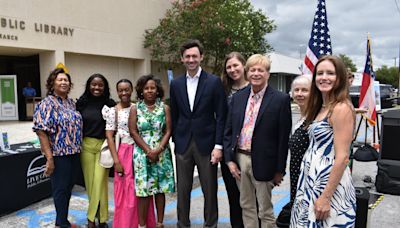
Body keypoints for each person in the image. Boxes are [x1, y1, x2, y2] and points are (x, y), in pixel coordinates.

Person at [224, 54, 292, 228]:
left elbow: (283, 139)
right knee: (246, 205)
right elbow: (228, 131)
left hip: (264, 161)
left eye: (260, 70)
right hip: (240, 158)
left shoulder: (280, 99)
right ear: (247, 73)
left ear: (268, 74)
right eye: (252, 70)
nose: (255, 73)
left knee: (265, 209)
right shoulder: (238, 98)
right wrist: (229, 161)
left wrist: (279, 170)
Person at [290, 55, 356, 227]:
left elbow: (342, 158)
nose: (324, 77)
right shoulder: (321, 106)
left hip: (327, 185)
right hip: (310, 181)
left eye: (330, 73)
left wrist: (326, 197)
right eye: (320, 73)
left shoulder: (341, 108)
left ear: (340, 77)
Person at [169, 39, 226, 228]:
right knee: (183, 190)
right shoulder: (176, 84)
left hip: (207, 144)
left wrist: (218, 146)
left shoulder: (214, 82)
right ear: (182, 59)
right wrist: (177, 139)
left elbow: (221, 116)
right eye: (187, 56)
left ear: (201, 57)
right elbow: (175, 114)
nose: (191, 59)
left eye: (194, 56)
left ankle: (211, 225)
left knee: (210, 190)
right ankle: (182, 224)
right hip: (183, 144)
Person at [102, 79, 156, 228]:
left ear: (132, 90)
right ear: (117, 92)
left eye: (127, 90)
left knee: (142, 188)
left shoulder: (138, 107)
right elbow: (109, 136)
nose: (124, 93)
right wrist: (117, 161)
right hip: (124, 152)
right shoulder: (113, 111)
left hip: (140, 150)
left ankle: (144, 223)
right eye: (121, 90)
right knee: (125, 191)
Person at [33, 68, 82, 228]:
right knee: (60, 189)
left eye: (66, 80)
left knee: (68, 188)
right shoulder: (46, 103)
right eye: (60, 79)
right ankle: (62, 224)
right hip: (59, 155)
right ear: (52, 83)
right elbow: (41, 132)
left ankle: (61, 220)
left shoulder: (71, 103)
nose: (63, 82)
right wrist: (49, 158)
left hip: (74, 153)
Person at [128, 75, 175, 228]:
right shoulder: (135, 108)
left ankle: (160, 223)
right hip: (142, 153)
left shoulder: (164, 108)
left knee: (160, 189)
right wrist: (149, 151)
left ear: (157, 90)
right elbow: (133, 131)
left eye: (152, 88)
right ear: (141, 91)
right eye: (146, 88)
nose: (149, 91)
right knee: (144, 191)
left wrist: (158, 149)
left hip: (161, 152)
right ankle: (142, 225)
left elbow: (168, 131)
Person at [76, 74, 116, 228]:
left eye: (100, 85)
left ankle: (93, 219)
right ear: (88, 85)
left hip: (103, 147)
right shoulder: (81, 103)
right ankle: (100, 217)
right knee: (91, 184)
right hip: (86, 146)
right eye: (93, 84)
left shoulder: (110, 104)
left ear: (105, 87)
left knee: (100, 183)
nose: (97, 88)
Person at [276, 75, 311, 227]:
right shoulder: (301, 117)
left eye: (305, 90)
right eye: (296, 90)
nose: (299, 93)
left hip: (310, 180)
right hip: (297, 177)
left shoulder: (317, 118)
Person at [221, 51, 248, 228]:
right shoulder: (223, 90)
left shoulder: (254, 87)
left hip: (249, 152)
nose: (232, 69)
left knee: (251, 199)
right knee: (234, 197)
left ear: (244, 65)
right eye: (229, 67)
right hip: (228, 150)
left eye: (235, 65)